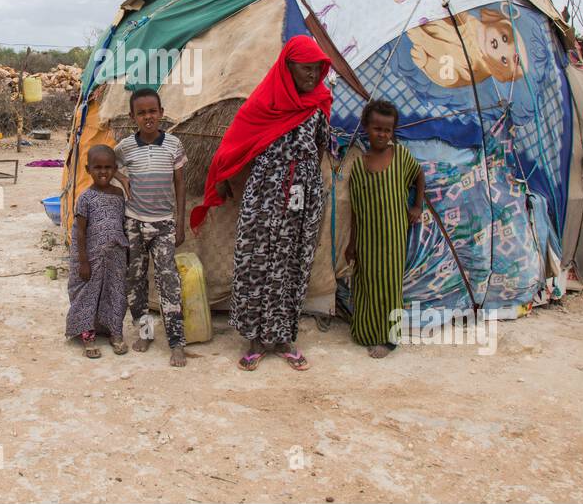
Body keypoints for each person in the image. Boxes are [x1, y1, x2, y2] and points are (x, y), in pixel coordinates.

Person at [192, 34, 331, 372]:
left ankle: (284, 338)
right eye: (305, 69)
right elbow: (235, 142)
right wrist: (223, 178)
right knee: (257, 261)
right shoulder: (263, 103)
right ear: (287, 68)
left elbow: (321, 146)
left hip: (304, 196)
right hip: (265, 195)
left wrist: (306, 180)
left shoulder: (318, 104)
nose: (312, 76)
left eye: (317, 70)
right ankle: (254, 339)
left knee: (294, 262)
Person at [345, 99, 426, 358]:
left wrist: (417, 206)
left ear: (393, 132)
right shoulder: (358, 166)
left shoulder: (401, 157)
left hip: (393, 237)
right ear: (366, 128)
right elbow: (356, 210)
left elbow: (419, 175)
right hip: (368, 239)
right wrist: (352, 243)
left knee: (390, 285)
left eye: (387, 130)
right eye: (377, 128)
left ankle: (390, 339)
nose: (382, 134)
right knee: (366, 283)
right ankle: (367, 332)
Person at [114, 88, 188, 368]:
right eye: (141, 113)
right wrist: (122, 178)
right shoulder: (125, 147)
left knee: (169, 281)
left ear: (161, 113)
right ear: (133, 117)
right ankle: (145, 333)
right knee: (135, 280)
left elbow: (180, 185)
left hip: (164, 225)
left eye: (152, 111)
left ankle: (176, 343)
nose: (148, 117)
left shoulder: (174, 144)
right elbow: (105, 164)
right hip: (133, 222)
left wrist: (180, 222)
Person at [67, 145, 129, 358]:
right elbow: (80, 233)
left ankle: (114, 331)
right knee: (88, 293)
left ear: (115, 168)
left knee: (115, 292)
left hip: (115, 256)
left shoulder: (119, 194)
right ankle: (88, 334)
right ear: (88, 169)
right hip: (91, 257)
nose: (103, 172)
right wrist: (83, 262)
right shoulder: (85, 198)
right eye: (98, 167)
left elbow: (121, 224)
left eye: (108, 167)